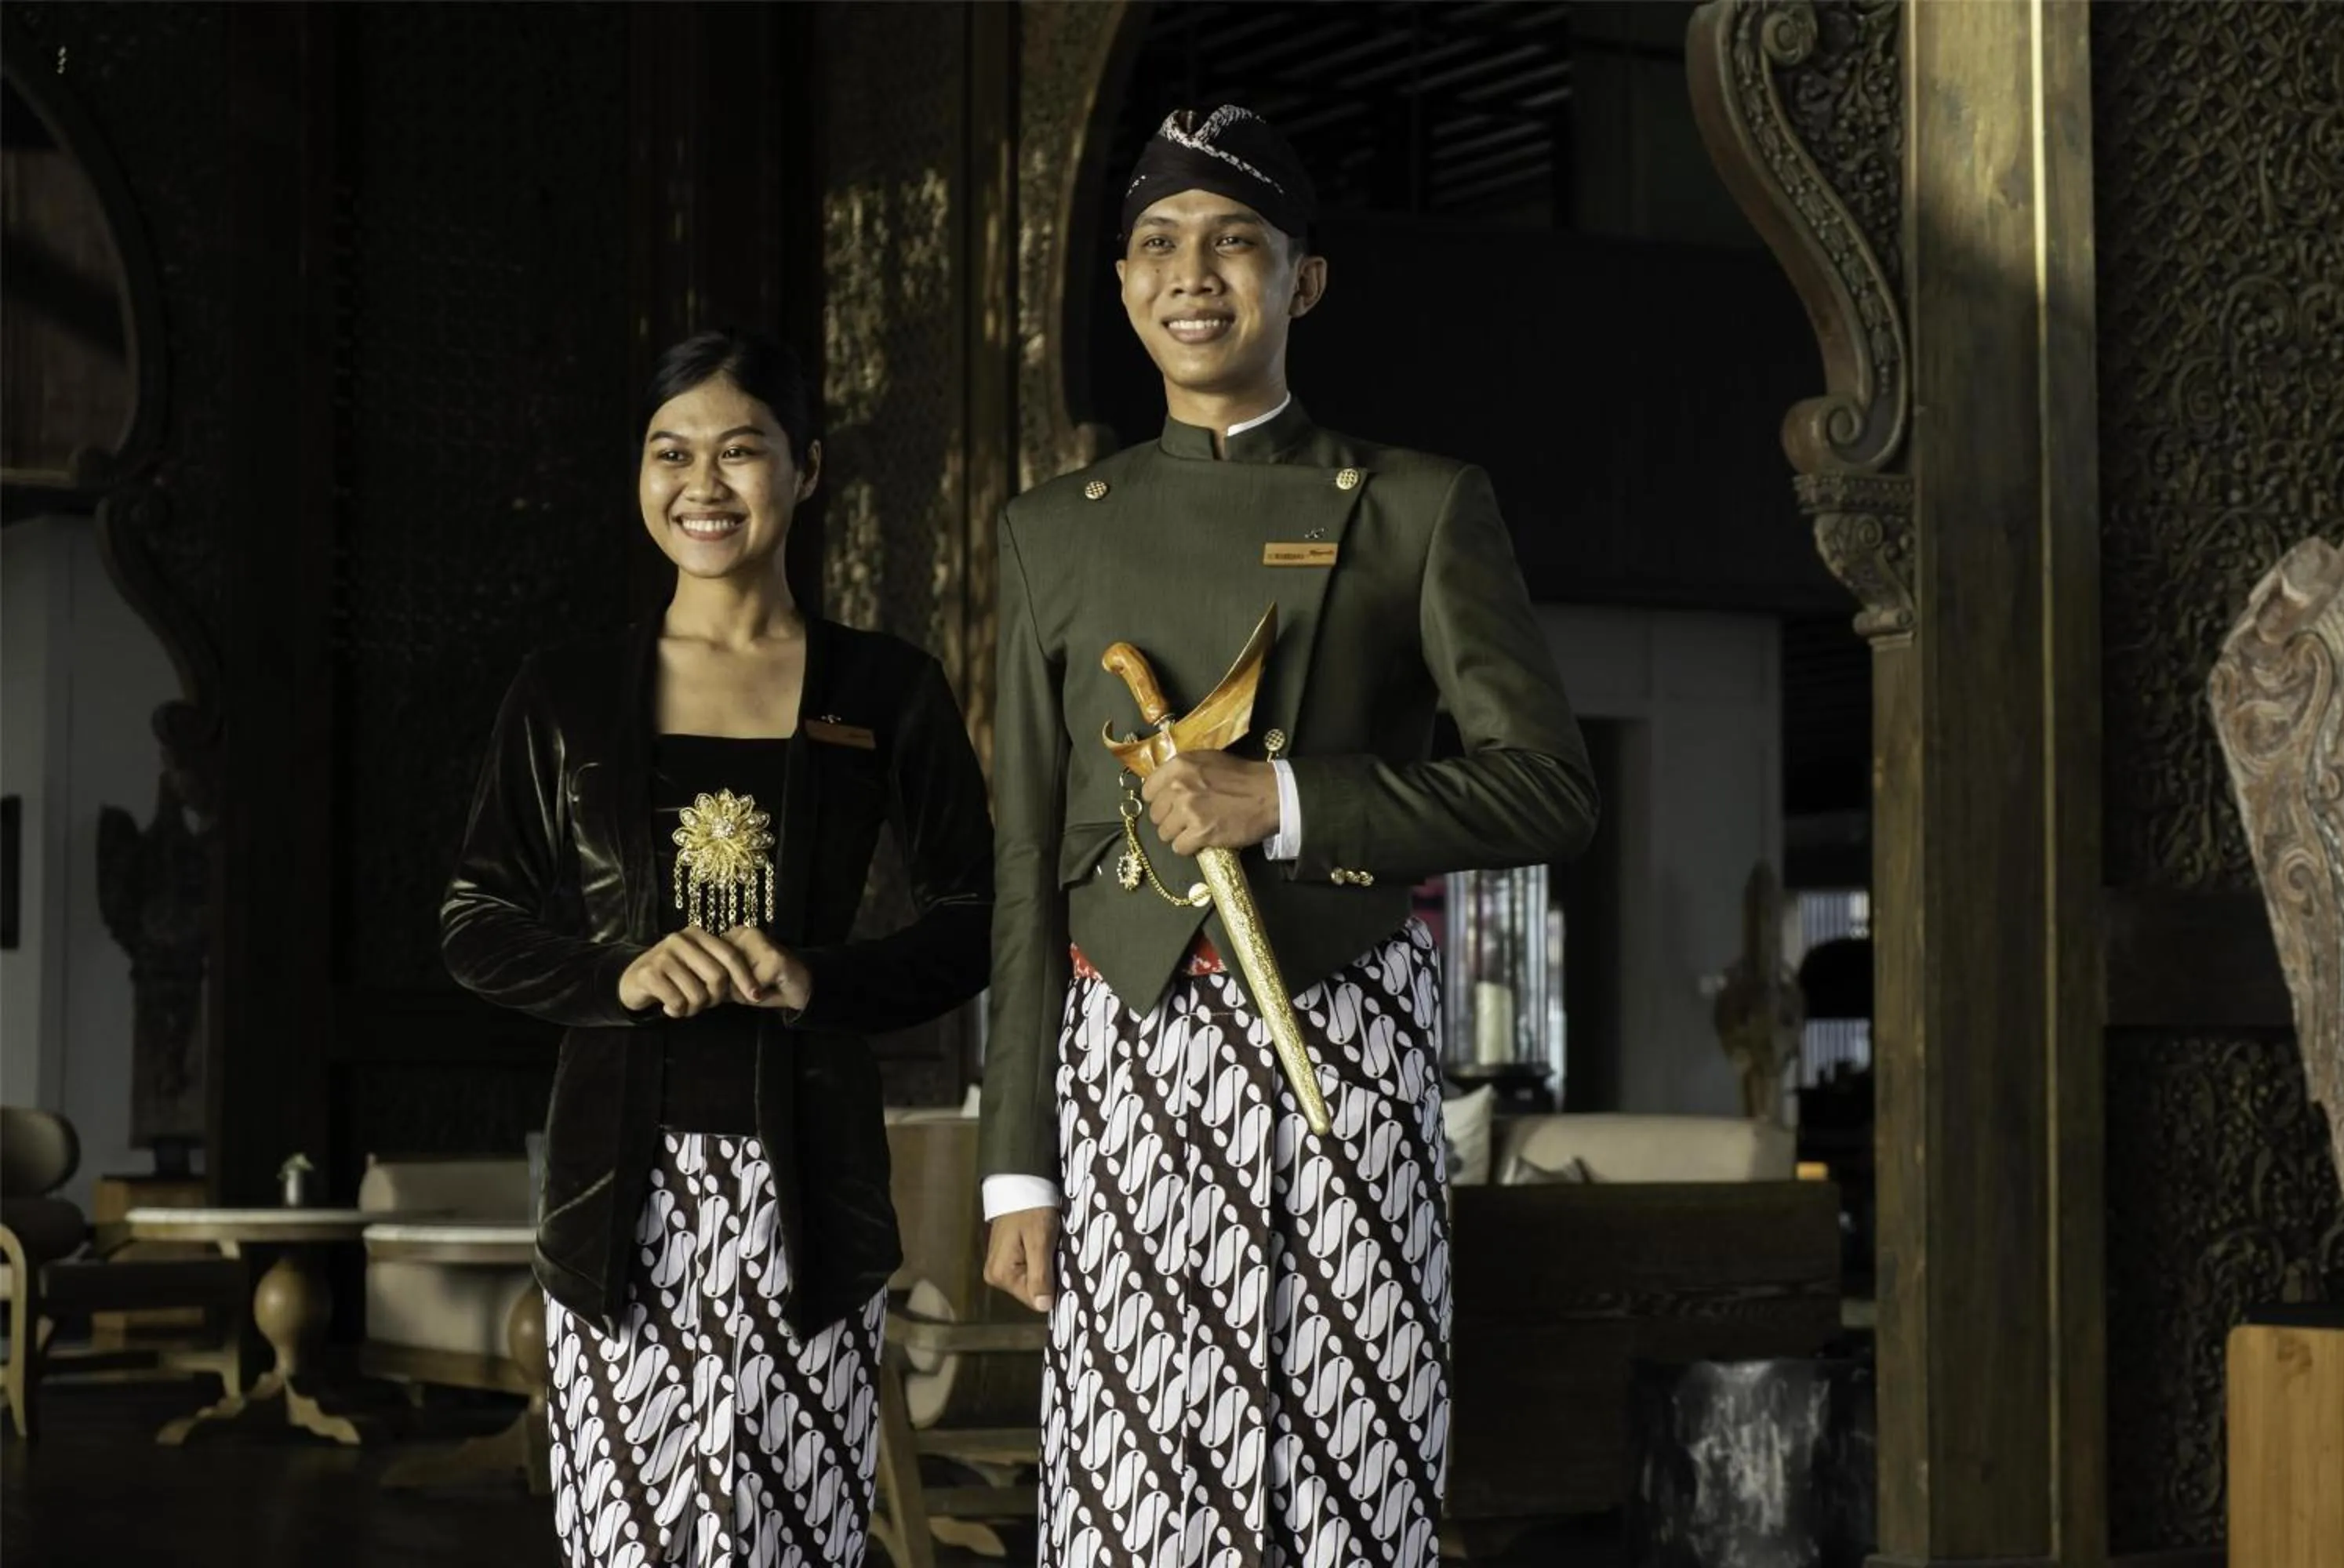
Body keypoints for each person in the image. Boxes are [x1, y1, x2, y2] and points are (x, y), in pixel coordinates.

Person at [978, 106, 1598, 1566]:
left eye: (1235, 242)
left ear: (1302, 282)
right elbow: (1021, 865)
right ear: (1125, 287)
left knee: (1347, 1476)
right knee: (1131, 1501)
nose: (1194, 275)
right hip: (1119, 1053)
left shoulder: (1419, 508)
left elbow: (1551, 791)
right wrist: (1019, 1168)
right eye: (1157, 245)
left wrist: (1288, 800)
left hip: (1349, 1045)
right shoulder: (1050, 530)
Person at [442, 329, 993, 1568]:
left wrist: (823, 979)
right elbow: (473, 919)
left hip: (817, 1197)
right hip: (613, 1201)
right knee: (627, 1543)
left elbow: (979, 916)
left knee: (800, 1539)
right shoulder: (565, 691)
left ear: (807, 469)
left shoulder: (885, 687)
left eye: (740, 451)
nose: (702, 483)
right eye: (670, 452)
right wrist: (618, 976)